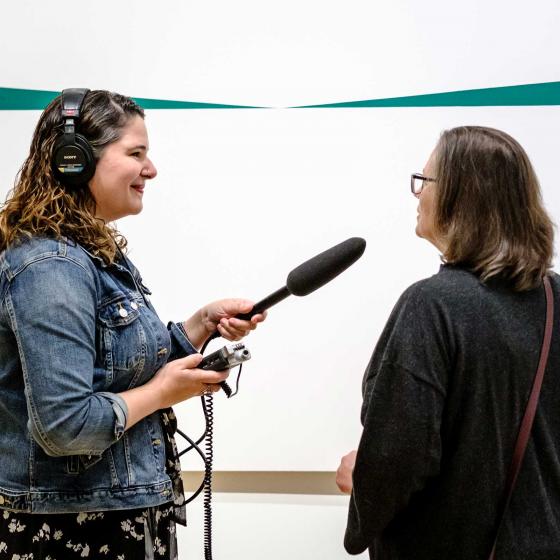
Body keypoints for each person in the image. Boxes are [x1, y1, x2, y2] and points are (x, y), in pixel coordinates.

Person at [0, 89, 265, 559]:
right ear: (74, 160)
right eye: (136, 153)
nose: (151, 169)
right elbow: (64, 425)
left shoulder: (88, 254)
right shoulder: (49, 265)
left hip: (117, 518)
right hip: (73, 533)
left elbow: (117, 366)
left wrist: (201, 325)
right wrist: (164, 393)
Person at [336, 126, 559, 559]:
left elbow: (400, 454)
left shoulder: (433, 305)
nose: (417, 194)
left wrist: (360, 478)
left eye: (425, 181)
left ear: (464, 195)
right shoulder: (555, 298)